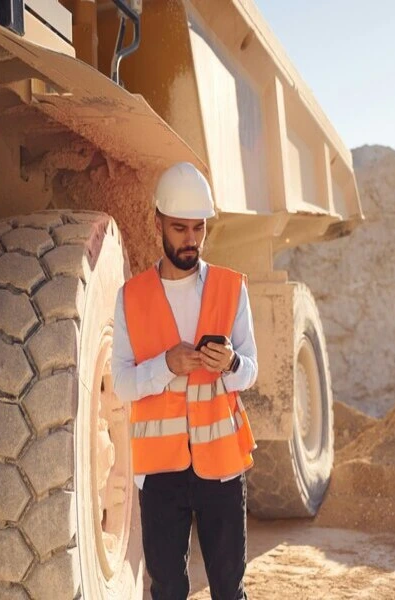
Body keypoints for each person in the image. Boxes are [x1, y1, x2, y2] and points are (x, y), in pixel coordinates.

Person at [112, 161, 259, 600]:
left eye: (199, 228)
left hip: (222, 466)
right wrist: (165, 366)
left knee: (229, 591)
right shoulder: (131, 297)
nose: (190, 240)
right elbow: (121, 384)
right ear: (157, 222)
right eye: (179, 228)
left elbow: (250, 372)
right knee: (169, 590)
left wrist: (230, 363)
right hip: (160, 473)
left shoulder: (231, 288)